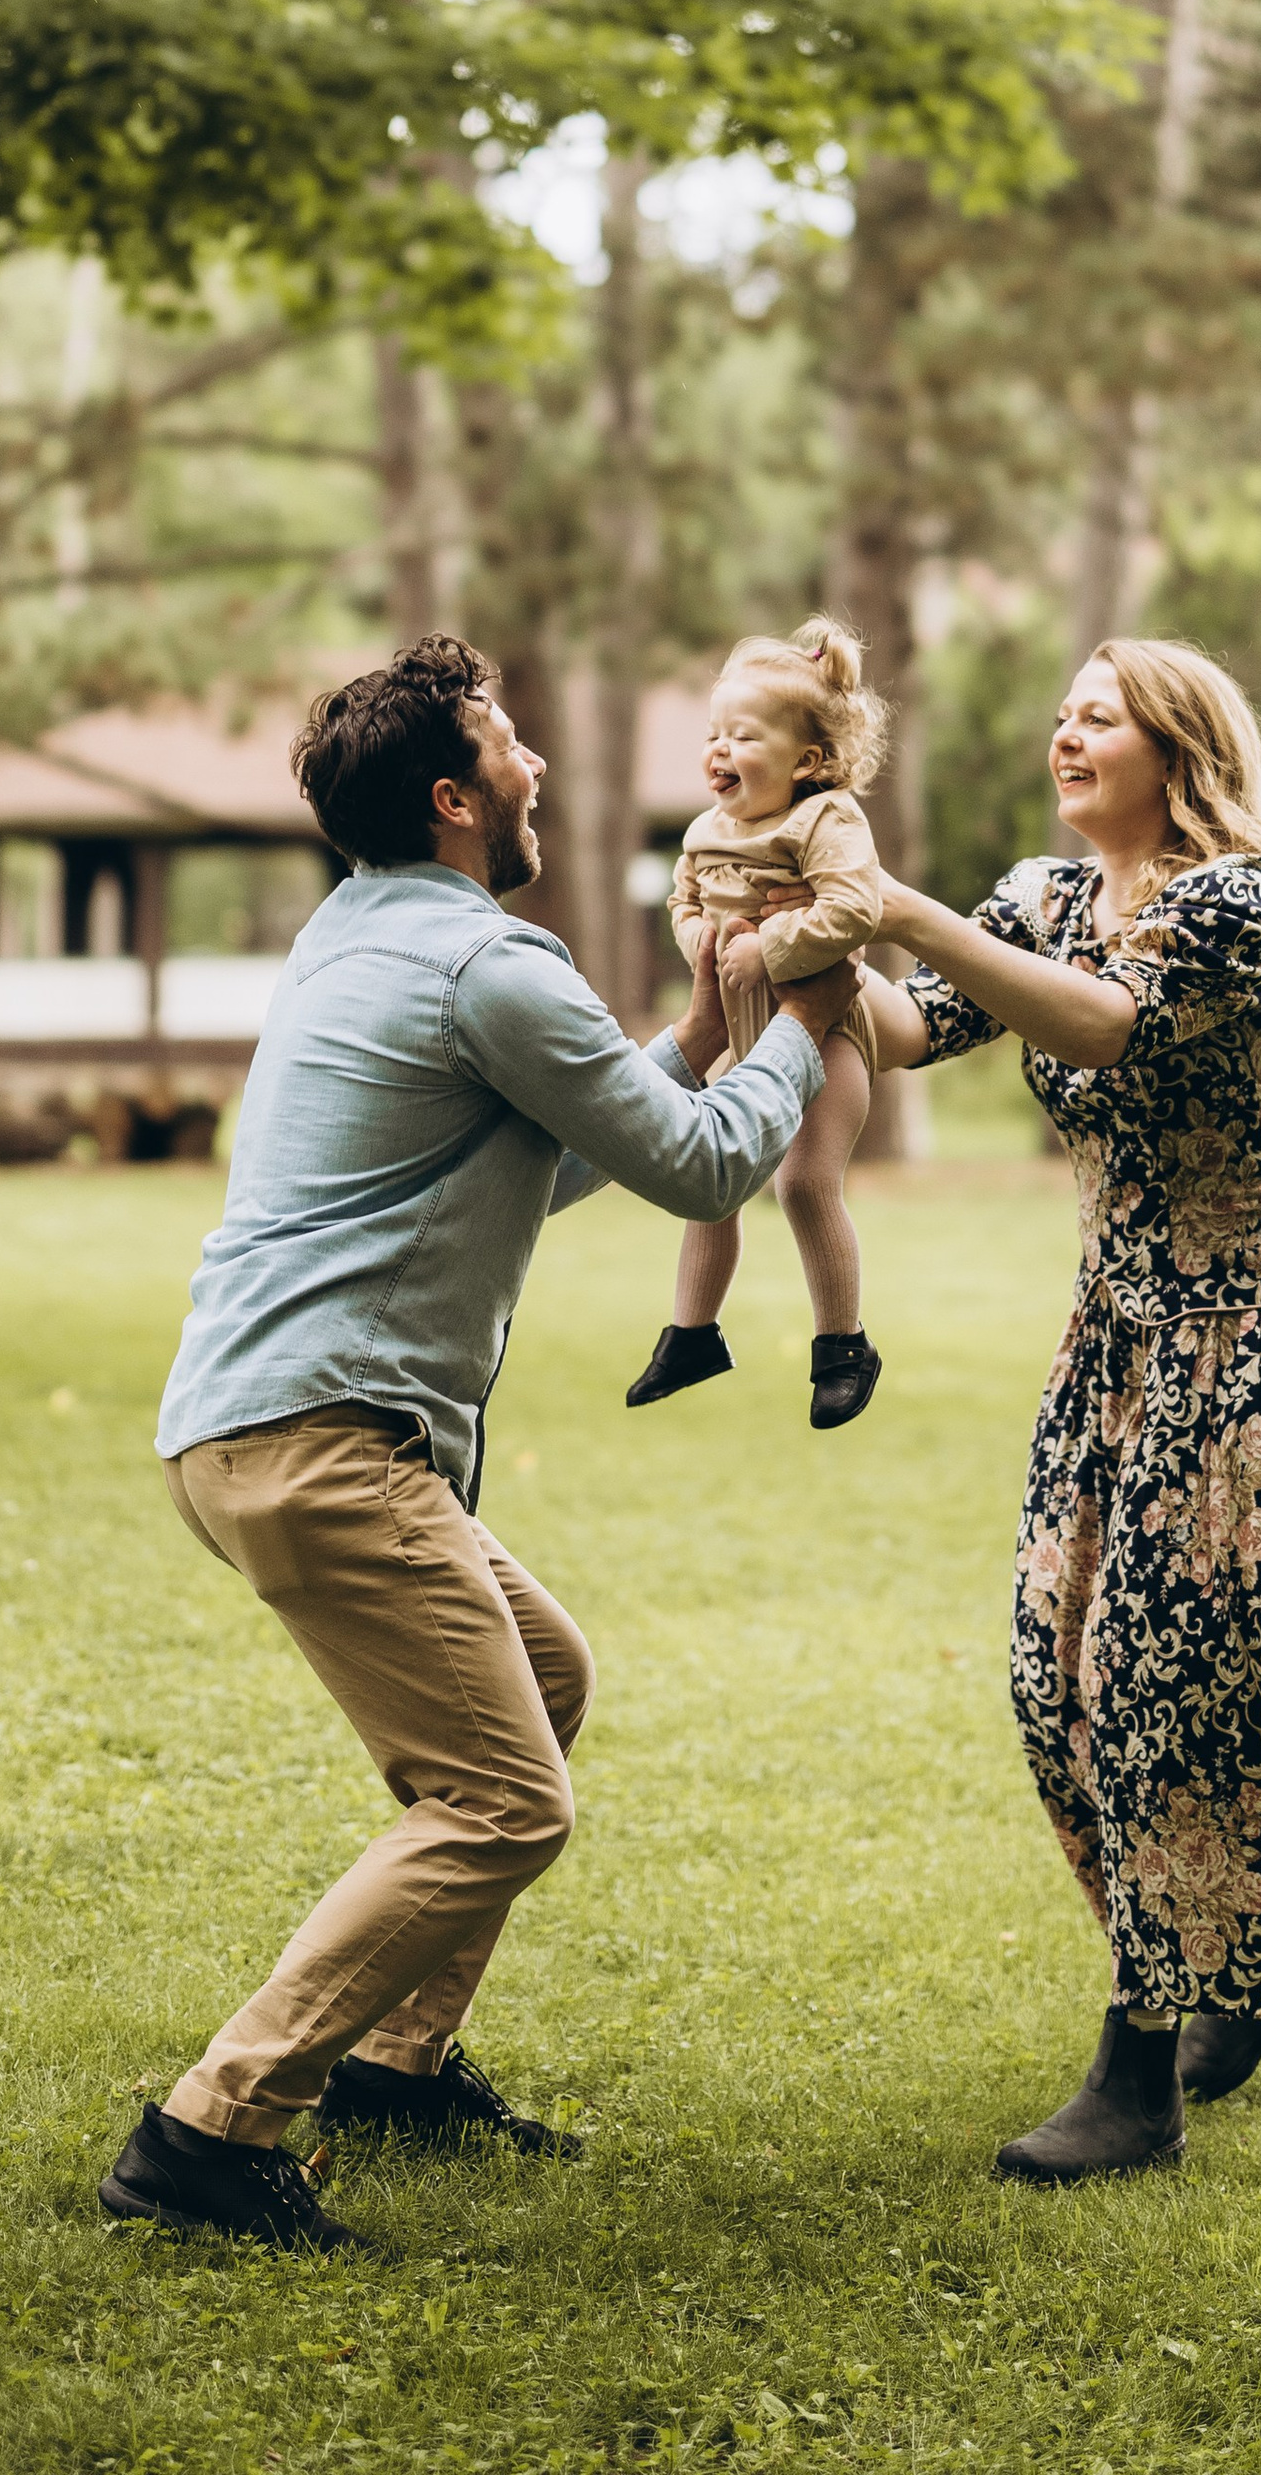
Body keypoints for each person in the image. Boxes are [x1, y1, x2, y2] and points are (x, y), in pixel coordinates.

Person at [98, 634, 862, 2258]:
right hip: (325, 1441)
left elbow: (565, 1148)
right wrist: (806, 1012)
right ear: (456, 797)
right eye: (508, 743)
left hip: (249, 1429)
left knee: (548, 1678)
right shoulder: (486, 965)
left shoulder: (362, 938)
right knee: (507, 1802)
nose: (536, 765)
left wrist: (693, 1041)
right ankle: (210, 2129)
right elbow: (711, 1170)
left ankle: (394, 2065)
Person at [862, 636, 1261, 2184]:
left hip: (1255, 1336)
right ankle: (1231, 1968)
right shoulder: (1044, 899)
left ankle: (1141, 2081)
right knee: (1051, 1668)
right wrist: (791, 951)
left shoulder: (1236, 906)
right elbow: (919, 1027)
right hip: (1120, 1337)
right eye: (1059, 709)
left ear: (1176, 744)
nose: (1066, 730)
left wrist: (906, 910)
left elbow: (1104, 1026)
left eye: (1099, 712)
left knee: (1150, 1680)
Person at [627, 619, 886, 1431]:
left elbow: (857, 906)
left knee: (804, 1182)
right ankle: (692, 1332)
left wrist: (772, 947)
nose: (718, 750)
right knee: (711, 1180)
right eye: (713, 734)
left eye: (743, 735)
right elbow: (684, 900)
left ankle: (843, 1344)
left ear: (807, 761)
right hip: (740, 1038)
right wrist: (697, 936)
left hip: (827, 1034)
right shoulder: (707, 831)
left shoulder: (825, 822)